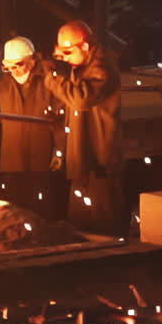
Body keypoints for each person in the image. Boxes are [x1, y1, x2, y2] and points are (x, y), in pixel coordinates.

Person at [43, 20, 124, 234]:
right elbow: (70, 111)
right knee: (81, 222)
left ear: (86, 47)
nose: (66, 59)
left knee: (105, 224)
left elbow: (80, 99)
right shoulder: (80, 69)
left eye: (69, 52)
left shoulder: (102, 70)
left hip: (100, 162)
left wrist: (53, 79)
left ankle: (112, 261)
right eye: (62, 54)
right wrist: (62, 148)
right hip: (82, 158)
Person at [0, 36, 57, 211]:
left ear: (31, 61)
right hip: (13, 161)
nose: (14, 71)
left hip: (42, 161)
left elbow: (62, 120)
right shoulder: (5, 84)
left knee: (42, 209)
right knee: (15, 209)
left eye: (18, 65)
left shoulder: (49, 82)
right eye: (8, 67)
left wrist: (59, 152)